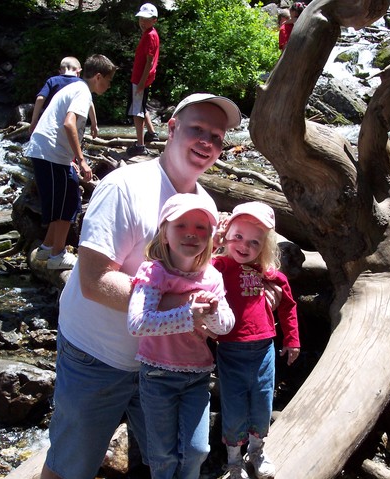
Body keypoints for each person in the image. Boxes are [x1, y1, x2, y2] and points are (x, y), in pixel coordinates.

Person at [38, 92, 242, 479]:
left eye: (217, 136)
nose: (207, 142)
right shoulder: (124, 187)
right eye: (197, 129)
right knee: (70, 466)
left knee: (168, 463)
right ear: (171, 128)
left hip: (167, 368)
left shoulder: (205, 207)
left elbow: (203, 279)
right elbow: (95, 281)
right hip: (98, 356)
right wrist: (182, 309)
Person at [127, 193, 235, 479]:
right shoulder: (153, 272)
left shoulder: (211, 276)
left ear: (210, 235)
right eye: (181, 226)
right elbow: (137, 323)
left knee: (198, 449)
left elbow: (225, 325)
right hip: (157, 375)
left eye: (201, 227)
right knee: (162, 454)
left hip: (198, 375)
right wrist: (190, 315)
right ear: (164, 233)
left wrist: (211, 311)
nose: (191, 233)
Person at [213, 201, 301, 479]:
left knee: (262, 404)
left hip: (264, 350)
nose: (244, 245)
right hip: (229, 350)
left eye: (254, 241)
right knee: (234, 406)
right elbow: (193, 266)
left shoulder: (266, 273)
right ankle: (234, 459)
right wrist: (212, 238)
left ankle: (258, 450)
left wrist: (293, 339)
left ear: (264, 246)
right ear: (227, 234)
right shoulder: (218, 266)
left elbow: (288, 304)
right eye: (237, 236)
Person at [26, 54, 117, 271]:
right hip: (50, 153)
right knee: (67, 204)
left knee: (67, 199)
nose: (109, 85)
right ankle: (58, 255)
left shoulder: (76, 88)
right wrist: (83, 161)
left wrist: (71, 160)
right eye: (109, 80)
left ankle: (47, 248)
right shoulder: (82, 92)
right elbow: (69, 124)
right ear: (98, 77)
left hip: (51, 153)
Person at [29, 56, 98, 138]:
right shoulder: (81, 84)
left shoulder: (52, 81)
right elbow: (89, 103)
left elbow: (40, 98)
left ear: (60, 71)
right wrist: (94, 124)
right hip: (71, 127)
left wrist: (34, 121)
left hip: (51, 126)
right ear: (79, 71)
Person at [126, 2, 160, 158]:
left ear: (154, 20)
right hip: (141, 78)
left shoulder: (151, 35)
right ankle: (152, 133)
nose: (142, 22)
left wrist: (141, 83)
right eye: (141, 18)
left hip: (140, 79)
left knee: (136, 112)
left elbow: (149, 61)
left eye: (146, 19)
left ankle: (140, 145)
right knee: (140, 106)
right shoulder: (149, 33)